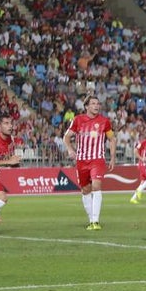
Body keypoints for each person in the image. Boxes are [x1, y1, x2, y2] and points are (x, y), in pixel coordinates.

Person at [63, 96, 117, 230]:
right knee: (85, 190)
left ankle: (95, 221)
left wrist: (113, 158)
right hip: (81, 160)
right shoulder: (78, 120)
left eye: (98, 104)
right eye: (93, 104)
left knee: (96, 185)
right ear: (86, 106)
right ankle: (91, 219)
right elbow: (66, 137)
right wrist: (70, 149)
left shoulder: (105, 122)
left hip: (97, 159)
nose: (96, 106)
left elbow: (112, 139)